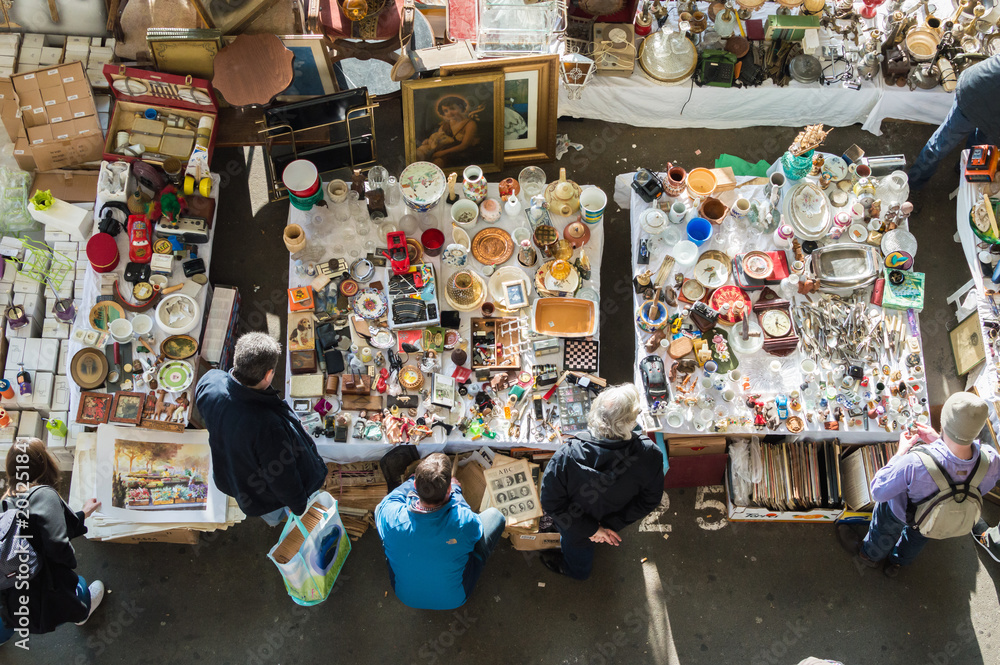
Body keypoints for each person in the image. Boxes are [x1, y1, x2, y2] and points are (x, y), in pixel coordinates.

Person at [838, 392, 1000, 577]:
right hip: (934, 519)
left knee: (884, 532)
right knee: (916, 538)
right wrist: (939, 441)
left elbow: (878, 492)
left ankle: (869, 556)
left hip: (899, 513)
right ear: (978, 430)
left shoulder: (915, 462)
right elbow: (979, 486)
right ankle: (896, 564)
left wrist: (900, 452)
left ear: (944, 423)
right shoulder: (992, 459)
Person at [195, 332, 327, 526]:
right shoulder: (268, 426)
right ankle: (281, 519)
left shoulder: (210, 381)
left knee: (262, 506)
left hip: (231, 476)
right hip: (262, 495)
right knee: (275, 510)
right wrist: (299, 506)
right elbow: (283, 478)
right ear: (268, 375)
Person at [539, 383, 665, 580]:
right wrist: (608, 527)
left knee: (576, 548)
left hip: (575, 525)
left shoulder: (566, 455)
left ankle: (576, 571)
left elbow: (551, 502)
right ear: (630, 423)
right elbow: (650, 499)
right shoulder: (650, 455)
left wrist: (593, 530)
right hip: (612, 519)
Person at [0, 438, 104, 647]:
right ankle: (82, 613)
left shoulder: (5, 502)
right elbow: (59, 546)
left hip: (6, 585)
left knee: (5, 620)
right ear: (45, 464)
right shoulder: (44, 496)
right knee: (77, 589)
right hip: (41, 584)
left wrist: (82, 514)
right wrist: (66, 567)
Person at [375, 453, 505, 610]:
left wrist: (412, 480)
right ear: (448, 489)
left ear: (415, 486)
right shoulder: (464, 522)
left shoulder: (391, 517)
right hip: (454, 599)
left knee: (387, 530)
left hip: (406, 596)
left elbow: (386, 503)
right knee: (495, 517)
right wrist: (457, 492)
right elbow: (474, 526)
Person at [907, 55, 1000, 191]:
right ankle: (912, 186)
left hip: (993, 117)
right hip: (974, 96)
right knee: (938, 147)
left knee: (981, 150)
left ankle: (963, 169)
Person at [414, 96, 483, 168]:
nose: (449, 113)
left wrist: (442, 153)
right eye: (446, 111)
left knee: (438, 162)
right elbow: (438, 137)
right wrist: (429, 140)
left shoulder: (470, 124)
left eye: (452, 109)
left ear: (461, 107)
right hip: (442, 149)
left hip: (459, 153)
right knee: (421, 152)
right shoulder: (446, 124)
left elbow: (464, 145)